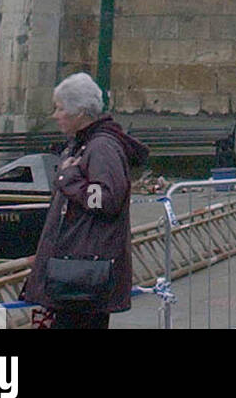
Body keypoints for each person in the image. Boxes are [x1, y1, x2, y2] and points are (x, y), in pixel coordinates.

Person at [21, 73, 148, 329]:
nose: (55, 115)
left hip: (82, 279)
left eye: (59, 109)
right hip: (73, 273)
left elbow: (107, 198)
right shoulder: (82, 144)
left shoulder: (101, 147)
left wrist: (69, 179)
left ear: (79, 112)